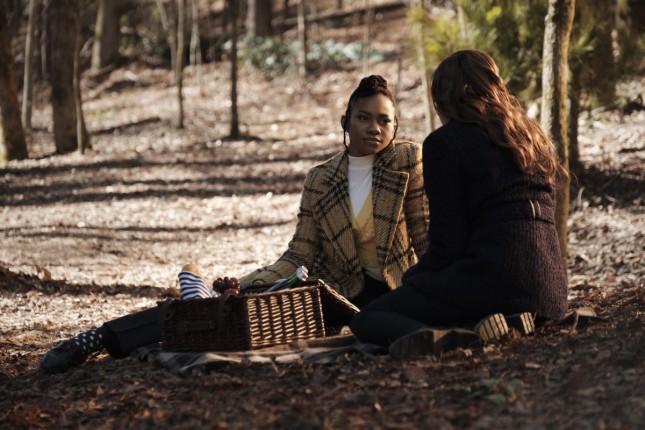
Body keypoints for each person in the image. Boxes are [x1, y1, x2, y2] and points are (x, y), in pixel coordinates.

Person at [40, 75, 430, 373]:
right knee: (227, 307)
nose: (375, 128)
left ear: (395, 127)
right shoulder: (321, 179)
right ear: (346, 121)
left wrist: (434, 288)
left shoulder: (407, 161)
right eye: (364, 118)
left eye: (385, 120)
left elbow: (424, 234)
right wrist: (248, 282)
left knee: (372, 321)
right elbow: (300, 252)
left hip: (397, 292)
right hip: (333, 293)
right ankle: (97, 337)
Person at [349, 50, 569, 358]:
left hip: (494, 280)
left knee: (368, 317)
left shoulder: (445, 143)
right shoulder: (533, 137)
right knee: (449, 297)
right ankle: (489, 324)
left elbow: (448, 243)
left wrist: (414, 280)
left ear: (445, 99)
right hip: (551, 294)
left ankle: (446, 338)